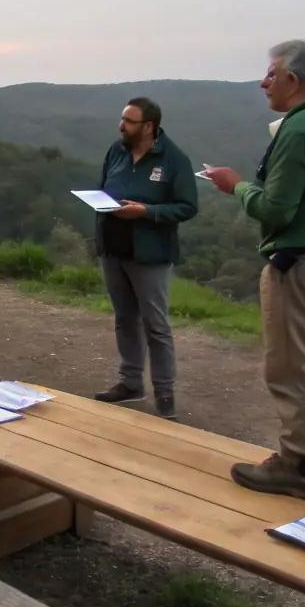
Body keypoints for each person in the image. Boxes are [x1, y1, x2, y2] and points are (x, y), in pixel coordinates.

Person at [204, 41, 305, 501]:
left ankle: (296, 465)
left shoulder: (298, 130)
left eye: (271, 74)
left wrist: (235, 186)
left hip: (299, 263)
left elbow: (276, 209)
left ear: (293, 80)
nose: (263, 82)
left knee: (289, 368)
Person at [91, 97, 198, 420]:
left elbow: (187, 207)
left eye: (129, 121)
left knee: (156, 325)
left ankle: (164, 394)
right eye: (122, 119)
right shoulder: (116, 151)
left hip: (150, 254)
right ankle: (130, 383)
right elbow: (103, 186)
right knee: (125, 319)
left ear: (148, 126)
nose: (121, 126)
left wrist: (146, 211)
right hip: (113, 249)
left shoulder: (174, 159)